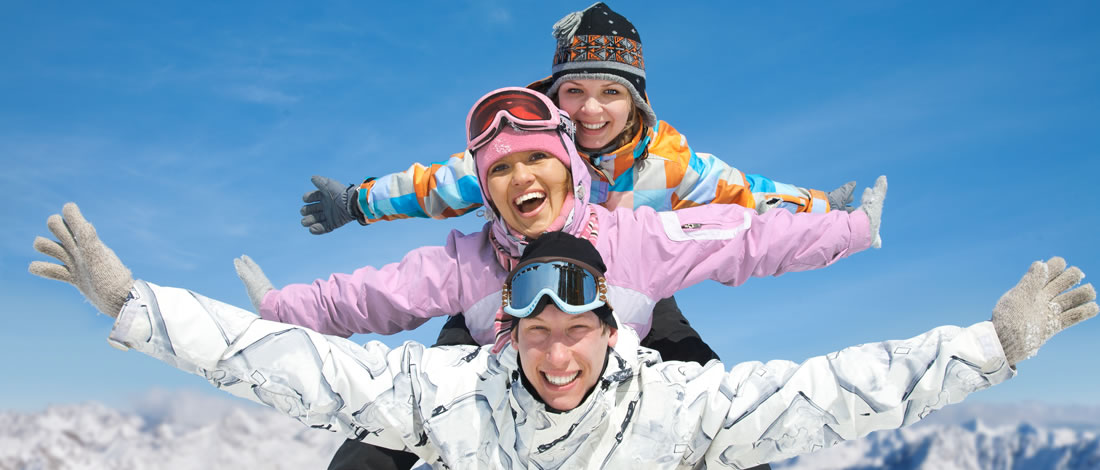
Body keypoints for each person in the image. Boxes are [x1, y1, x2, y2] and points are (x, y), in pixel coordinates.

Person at [29, 207, 1098, 469]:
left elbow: (837, 388)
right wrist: (136, 302)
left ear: (607, 331)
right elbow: (294, 365)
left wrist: (991, 346)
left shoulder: (676, 403)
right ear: (506, 333)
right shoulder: (450, 396)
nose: (555, 355)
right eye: (533, 330)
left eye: (574, 331)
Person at [247, 85, 886, 469]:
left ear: (570, 168)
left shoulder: (638, 230)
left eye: (537, 161)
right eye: (502, 170)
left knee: (716, 414)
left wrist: (844, 227)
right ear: (486, 188)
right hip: (498, 377)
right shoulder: (468, 261)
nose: (522, 177)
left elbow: (744, 230)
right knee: (379, 433)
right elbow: (373, 295)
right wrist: (282, 307)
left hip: (611, 369)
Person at [299, 2, 858, 364]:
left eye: (610, 93)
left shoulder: (663, 155)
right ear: (555, 95)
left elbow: (741, 194)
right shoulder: (525, 148)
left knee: (704, 390)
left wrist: (818, 209)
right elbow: (437, 186)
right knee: (416, 408)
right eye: (575, 92)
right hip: (503, 285)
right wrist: (357, 202)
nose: (591, 109)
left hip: (628, 286)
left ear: (634, 100)